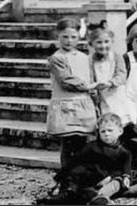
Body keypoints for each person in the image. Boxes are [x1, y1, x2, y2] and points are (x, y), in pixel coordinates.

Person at [41, 113, 131, 205]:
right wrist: (58, 178)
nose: (106, 134)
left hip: (105, 179)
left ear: (120, 131)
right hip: (86, 177)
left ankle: (95, 198)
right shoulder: (92, 146)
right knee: (78, 174)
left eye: (110, 130)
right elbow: (75, 161)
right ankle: (67, 194)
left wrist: (110, 177)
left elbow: (124, 170)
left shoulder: (124, 153)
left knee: (108, 187)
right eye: (103, 131)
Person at [46, 18, 95, 169]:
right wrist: (89, 86)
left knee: (82, 142)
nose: (69, 41)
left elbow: (91, 76)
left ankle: (78, 179)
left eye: (73, 37)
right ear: (58, 36)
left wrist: (94, 97)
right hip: (65, 105)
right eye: (65, 37)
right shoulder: (57, 58)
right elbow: (66, 80)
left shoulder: (84, 57)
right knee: (68, 144)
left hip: (83, 104)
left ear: (79, 37)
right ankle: (66, 180)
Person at [89, 21, 131, 126]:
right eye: (99, 42)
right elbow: (90, 79)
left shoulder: (116, 57)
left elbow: (121, 75)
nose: (103, 46)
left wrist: (111, 83)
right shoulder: (90, 61)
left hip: (116, 93)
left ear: (112, 42)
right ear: (91, 43)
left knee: (121, 121)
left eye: (106, 42)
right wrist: (94, 90)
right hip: (102, 96)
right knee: (106, 122)